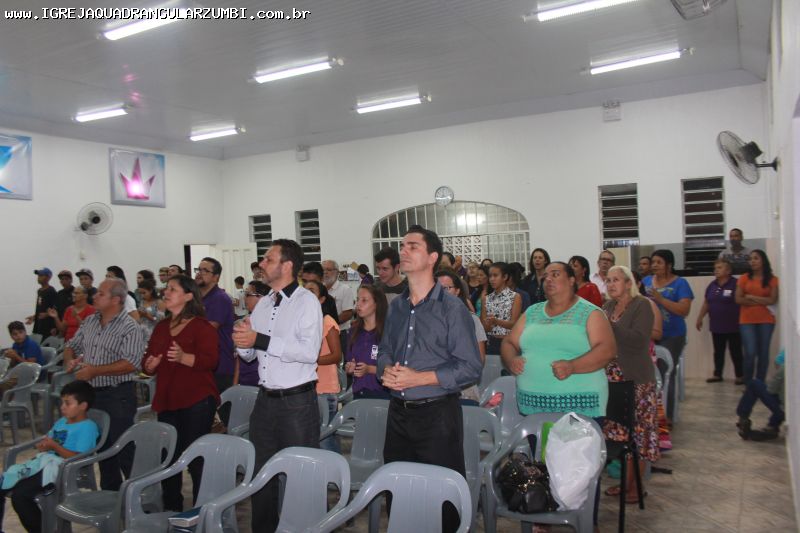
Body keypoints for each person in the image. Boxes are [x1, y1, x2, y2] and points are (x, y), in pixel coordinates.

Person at [377, 225, 482, 533]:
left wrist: (418, 378)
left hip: (437, 415)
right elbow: (385, 351)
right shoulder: (396, 307)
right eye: (402, 246)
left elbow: (470, 367)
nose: (404, 251)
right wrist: (386, 370)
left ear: (433, 257)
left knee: (442, 499)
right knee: (399, 492)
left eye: (413, 246)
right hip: (398, 415)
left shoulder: (451, 308)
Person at [232, 239, 322, 533]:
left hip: (296, 403)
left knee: (300, 475)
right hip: (265, 400)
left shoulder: (306, 302)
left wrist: (259, 339)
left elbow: (309, 352)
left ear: (287, 266)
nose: (262, 264)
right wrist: (243, 341)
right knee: (261, 475)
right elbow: (250, 355)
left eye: (268, 259)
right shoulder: (265, 303)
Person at [142, 275, 219, 512]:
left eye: (172, 289)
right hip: (167, 399)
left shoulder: (202, 327)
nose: (166, 292)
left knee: (195, 459)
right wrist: (150, 366)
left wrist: (184, 357)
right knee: (168, 458)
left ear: (188, 296)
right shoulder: (161, 327)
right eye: (166, 288)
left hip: (196, 400)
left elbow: (211, 361)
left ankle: (200, 512)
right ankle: (172, 510)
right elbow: (148, 359)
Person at [501, 261, 615, 419]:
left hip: (578, 406)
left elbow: (607, 350)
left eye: (555, 274)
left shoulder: (590, 312)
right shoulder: (532, 311)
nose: (548, 279)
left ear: (571, 280)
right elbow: (509, 342)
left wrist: (572, 366)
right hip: (533, 405)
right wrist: (511, 360)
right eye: (545, 277)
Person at [63, 278, 144, 491]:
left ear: (115, 300)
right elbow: (71, 345)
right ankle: (110, 493)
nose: (95, 296)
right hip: (93, 393)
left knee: (123, 445)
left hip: (118, 394)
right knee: (102, 446)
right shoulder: (90, 321)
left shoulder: (129, 327)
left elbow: (131, 363)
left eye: (100, 293)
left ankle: (138, 495)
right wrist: (70, 359)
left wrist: (95, 371)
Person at [0, 381, 99, 533]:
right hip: (45, 463)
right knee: (3, 483)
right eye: (62, 402)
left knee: (20, 497)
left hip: (62, 469)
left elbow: (78, 458)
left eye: (67, 403)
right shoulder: (62, 421)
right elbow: (49, 439)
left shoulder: (88, 427)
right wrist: (44, 445)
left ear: (83, 406)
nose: (62, 407)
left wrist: (54, 446)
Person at [601, 266, 658, 503]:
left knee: (640, 434)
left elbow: (639, 340)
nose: (611, 284)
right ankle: (626, 482)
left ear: (628, 283)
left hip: (637, 380)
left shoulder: (641, 305)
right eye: (608, 280)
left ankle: (636, 487)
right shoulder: (607, 307)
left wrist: (610, 326)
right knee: (620, 433)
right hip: (612, 381)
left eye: (616, 280)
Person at [643, 249, 693, 421]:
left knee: (665, 370)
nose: (654, 265)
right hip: (650, 335)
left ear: (669, 265)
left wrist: (661, 299)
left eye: (659, 262)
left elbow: (684, 310)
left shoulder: (680, 283)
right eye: (653, 262)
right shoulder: (646, 281)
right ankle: (648, 413)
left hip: (673, 335)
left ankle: (667, 416)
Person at [436, 269, 487, 405]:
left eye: (446, 288)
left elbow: (480, 360)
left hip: (464, 389)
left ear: (457, 291)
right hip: (432, 389)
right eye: (436, 289)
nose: (441, 293)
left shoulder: (471, 319)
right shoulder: (425, 321)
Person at [304, 279, 342, 453]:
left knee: (326, 440)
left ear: (321, 299)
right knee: (312, 438)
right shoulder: (304, 322)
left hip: (324, 389)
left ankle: (336, 469)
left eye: (311, 290)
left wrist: (310, 359)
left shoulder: (327, 321)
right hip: (307, 387)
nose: (306, 294)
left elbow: (336, 355)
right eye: (304, 290)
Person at [695, 259, 743, 384]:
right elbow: (707, 303)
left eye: (720, 268)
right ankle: (717, 374)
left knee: (736, 351)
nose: (716, 270)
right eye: (715, 267)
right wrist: (700, 317)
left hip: (733, 325)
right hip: (717, 325)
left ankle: (740, 375)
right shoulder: (712, 285)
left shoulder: (736, 284)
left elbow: (741, 301)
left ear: (728, 271)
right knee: (718, 352)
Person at [735, 249, 779, 382]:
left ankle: (760, 384)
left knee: (763, 353)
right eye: (750, 259)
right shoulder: (744, 278)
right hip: (746, 320)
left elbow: (772, 300)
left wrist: (751, 297)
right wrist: (761, 301)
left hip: (766, 320)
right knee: (750, 352)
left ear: (763, 260)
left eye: (756, 258)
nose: (752, 261)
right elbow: (738, 299)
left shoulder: (772, 279)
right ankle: (749, 385)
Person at [195, 257, 235, 393]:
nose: (199, 273)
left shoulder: (219, 298)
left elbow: (207, 330)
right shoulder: (197, 299)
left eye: (205, 271)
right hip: (202, 363)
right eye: (198, 270)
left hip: (219, 366)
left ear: (216, 277)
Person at [345, 285, 390, 399]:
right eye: (357, 299)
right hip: (358, 393)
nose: (358, 304)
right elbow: (350, 360)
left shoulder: (389, 332)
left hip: (383, 394)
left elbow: (395, 368)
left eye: (364, 300)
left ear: (376, 304)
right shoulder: (353, 331)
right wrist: (350, 367)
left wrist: (370, 369)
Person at [737, 351, 784, 441]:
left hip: (784, 412)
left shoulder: (786, 367)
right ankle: (772, 425)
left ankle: (743, 418)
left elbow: (772, 389)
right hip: (789, 412)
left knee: (755, 384)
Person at [481, 262, 522, 355]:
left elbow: (513, 324)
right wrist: (488, 324)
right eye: (490, 276)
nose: (492, 279)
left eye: (495, 275)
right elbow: (484, 327)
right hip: (491, 342)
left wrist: (495, 321)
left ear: (505, 277)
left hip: (509, 342)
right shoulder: (486, 298)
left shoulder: (515, 297)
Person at [234, 281, 269, 387]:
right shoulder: (246, 321)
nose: (244, 298)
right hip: (245, 379)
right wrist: (235, 381)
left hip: (262, 381)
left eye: (248, 294)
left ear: (262, 298)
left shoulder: (270, 323)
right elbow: (239, 358)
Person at [322, 259, 355, 341]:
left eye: (329, 270)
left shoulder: (345, 289)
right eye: (323, 270)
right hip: (322, 333)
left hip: (340, 333)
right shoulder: (319, 289)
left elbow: (348, 313)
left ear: (337, 272)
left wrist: (329, 324)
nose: (325, 272)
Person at [26, 268, 57, 338]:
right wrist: (34, 317)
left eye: (41, 275)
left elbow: (56, 307)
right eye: (38, 275)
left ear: (48, 277)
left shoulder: (51, 291)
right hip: (38, 324)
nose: (38, 278)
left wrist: (47, 314)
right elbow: (40, 307)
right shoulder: (39, 291)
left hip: (47, 326)